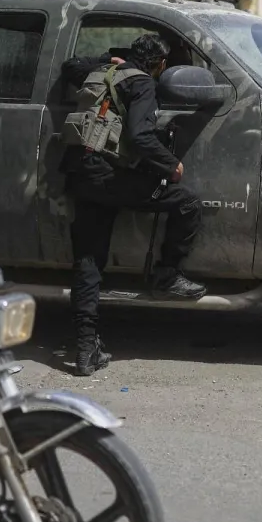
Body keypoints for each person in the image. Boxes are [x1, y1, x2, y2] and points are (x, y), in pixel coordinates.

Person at [60, 34, 204, 376]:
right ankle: (167, 274)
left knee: (88, 262)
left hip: (81, 173)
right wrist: (171, 165)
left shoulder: (98, 74)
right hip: (113, 178)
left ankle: (84, 349)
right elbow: (140, 136)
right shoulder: (142, 84)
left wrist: (106, 62)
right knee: (187, 204)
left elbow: (69, 66)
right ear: (159, 64)